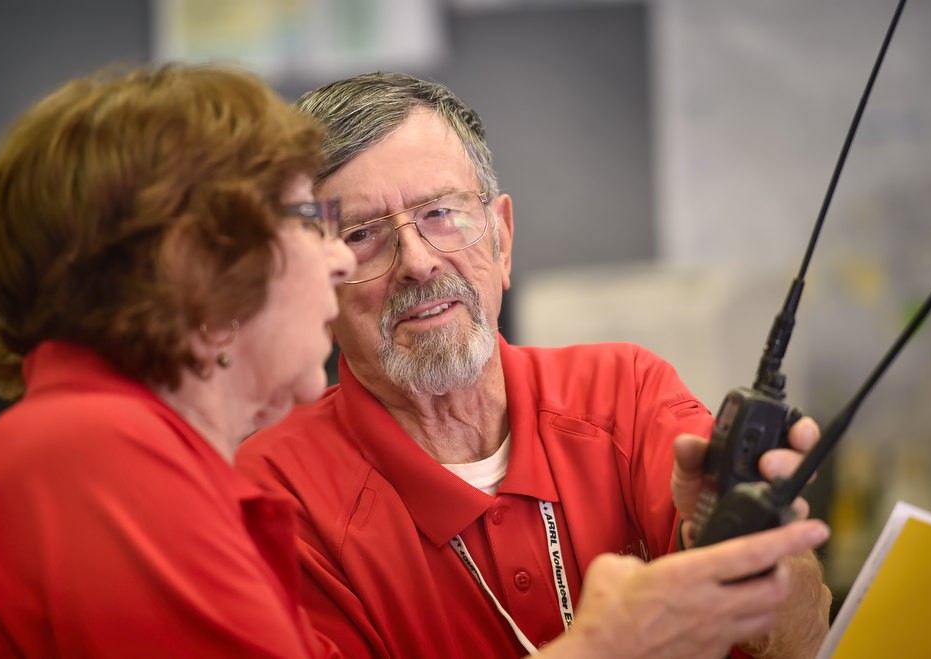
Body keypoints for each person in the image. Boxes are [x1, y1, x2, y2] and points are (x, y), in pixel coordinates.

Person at [235, 72, 834, 659]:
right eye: (362, 233)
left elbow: (800, 641)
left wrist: (750, 548)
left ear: (503, 237)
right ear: (315, 281)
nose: (417, 261)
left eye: (441, 212)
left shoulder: (624, 393)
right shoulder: (272, 499)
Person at [0, 63, 358, 657]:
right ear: (200, 267)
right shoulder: (98, 455)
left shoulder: (114, 448)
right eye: (312, 222)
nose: (343, 261)